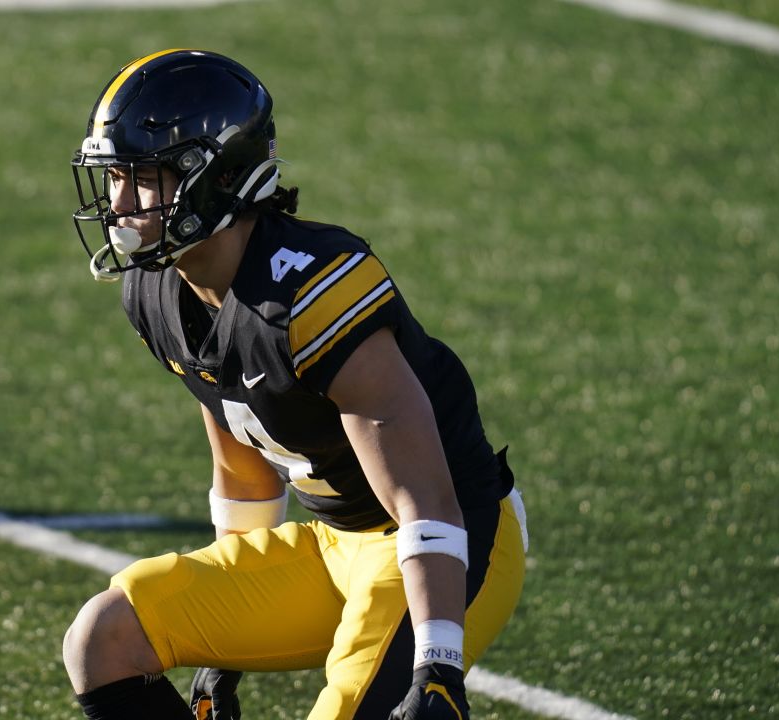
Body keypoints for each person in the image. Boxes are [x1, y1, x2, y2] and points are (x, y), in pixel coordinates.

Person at [62, 49, 528, 720]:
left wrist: (439, 670)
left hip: (445, 539)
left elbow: (425, 496)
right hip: (335, 542)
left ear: (217, 177)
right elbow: (243, 466)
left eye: (147, 177)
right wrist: (224, 652)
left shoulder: (310, 293)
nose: (122, 204)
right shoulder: (157, 291)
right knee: (105, 639)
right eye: (115, 178)